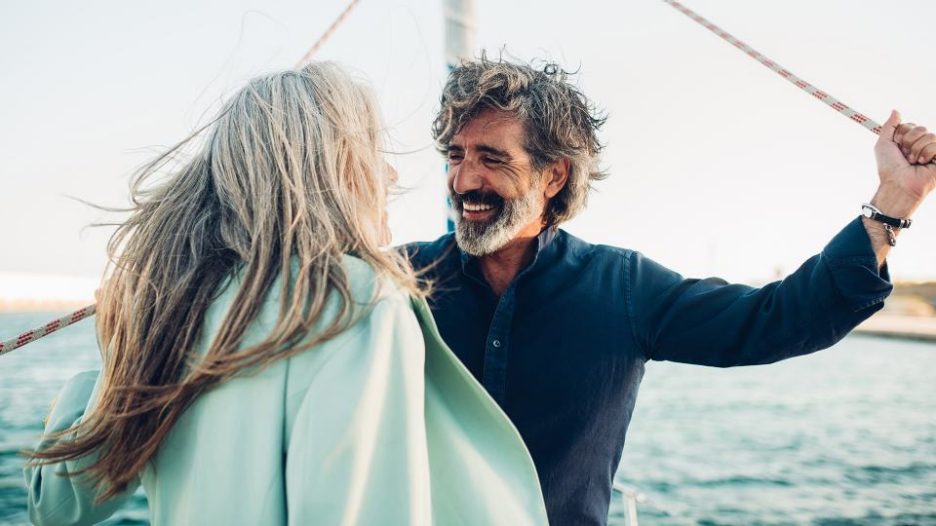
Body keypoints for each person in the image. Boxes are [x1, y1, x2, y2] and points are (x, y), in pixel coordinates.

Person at [404, 56, 936, 525]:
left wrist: (893, 201)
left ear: (553, 176)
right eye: (455, 156)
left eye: (491, 159)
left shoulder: (623, 287)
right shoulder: (396, 279)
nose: (463, 180)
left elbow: (777, 319)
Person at [24, 62, 549, 526]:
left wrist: (118, 347)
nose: (388, 173)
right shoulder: (356, 302)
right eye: (372, 149)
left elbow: (55, 508)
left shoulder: (171, 308)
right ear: (330, 166)